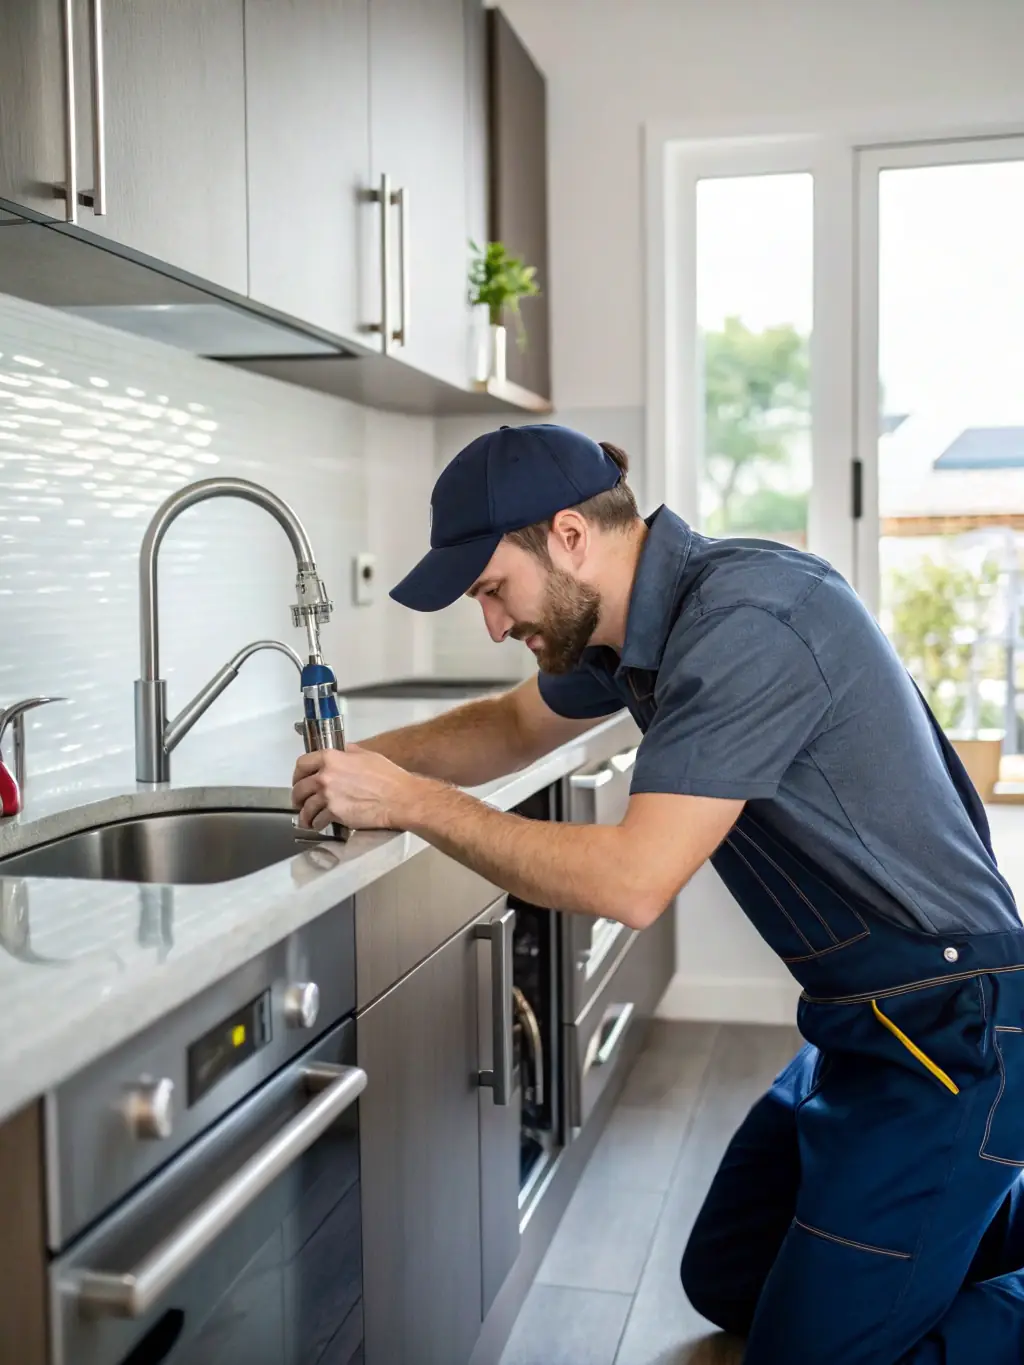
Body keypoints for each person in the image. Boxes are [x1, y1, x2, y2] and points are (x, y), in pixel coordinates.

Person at [291, 423, 1024, 1364]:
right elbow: (511, 726)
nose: (494, 624)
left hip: (955, 1028)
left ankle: (965, 1202)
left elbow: (632, 882)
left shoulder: (747, 623)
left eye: (492, 589)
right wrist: (352, 766)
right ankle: (949, 1222)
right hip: (859, 1026)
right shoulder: (638, 626)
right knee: (725, 1277)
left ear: (568, 536)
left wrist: (411, 802)